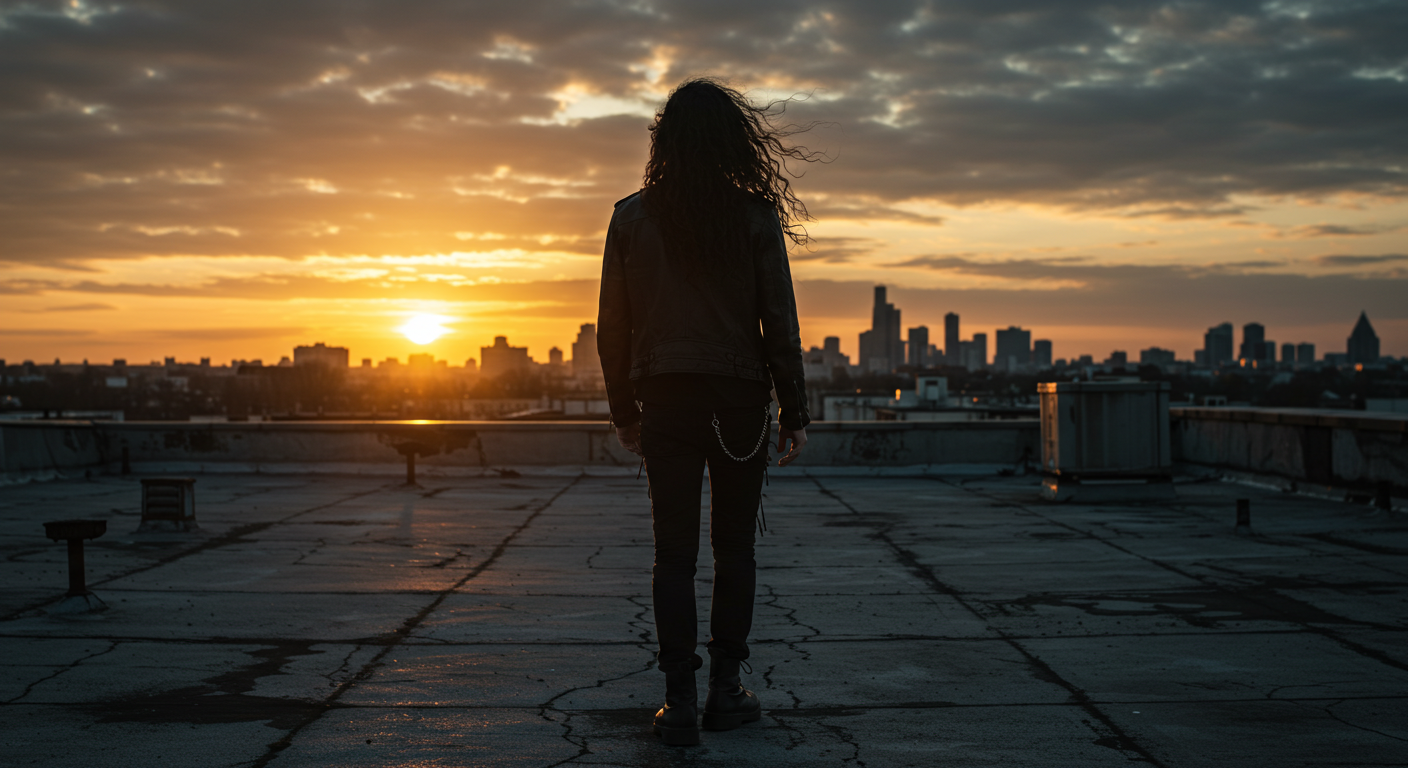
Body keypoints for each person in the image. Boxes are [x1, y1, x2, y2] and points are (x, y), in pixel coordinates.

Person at [597, 78, 819, 747]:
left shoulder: (630, 216)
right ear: (733, 141)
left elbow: (613, 329)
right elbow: (778, 320)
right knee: (734, 552)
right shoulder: (752, 216)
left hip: (665, 401)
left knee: (673, 556)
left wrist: (624, 414)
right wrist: (795, 410)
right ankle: (727, 691)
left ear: (664, 140)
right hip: (739, 404)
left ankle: (680, 702)